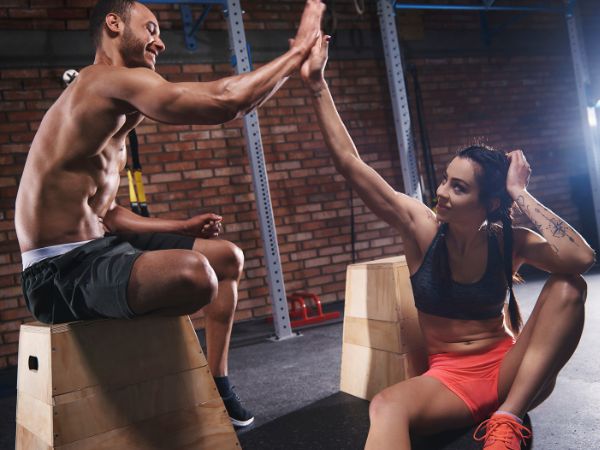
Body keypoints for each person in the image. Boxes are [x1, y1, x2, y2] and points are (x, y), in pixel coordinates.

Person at [15, 0, 325, 429]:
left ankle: (218, 383)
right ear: (113, 23)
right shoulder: (99, 84)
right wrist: (298, 52)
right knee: (194, 274)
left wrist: (180, 226)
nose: (160, 42)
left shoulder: (117, 111)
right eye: (152, 28)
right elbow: (223, 103)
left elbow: (108, 214)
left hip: (96, 249)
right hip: (56, 273)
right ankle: (146, 387)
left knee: (226, 258)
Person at [300, 36, 595, 449]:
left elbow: (580, 258)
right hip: (448, 381)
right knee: (385, 405)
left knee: (569, 286)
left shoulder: (510, 240)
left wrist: (521, 195)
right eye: (444, 179)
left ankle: (507, 419)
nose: (442, 192)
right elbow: (351, 165)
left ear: (489, 202)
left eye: (458, 188)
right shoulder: (422, 228)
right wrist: (317, 86)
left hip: (512, 374)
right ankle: (501, 414)